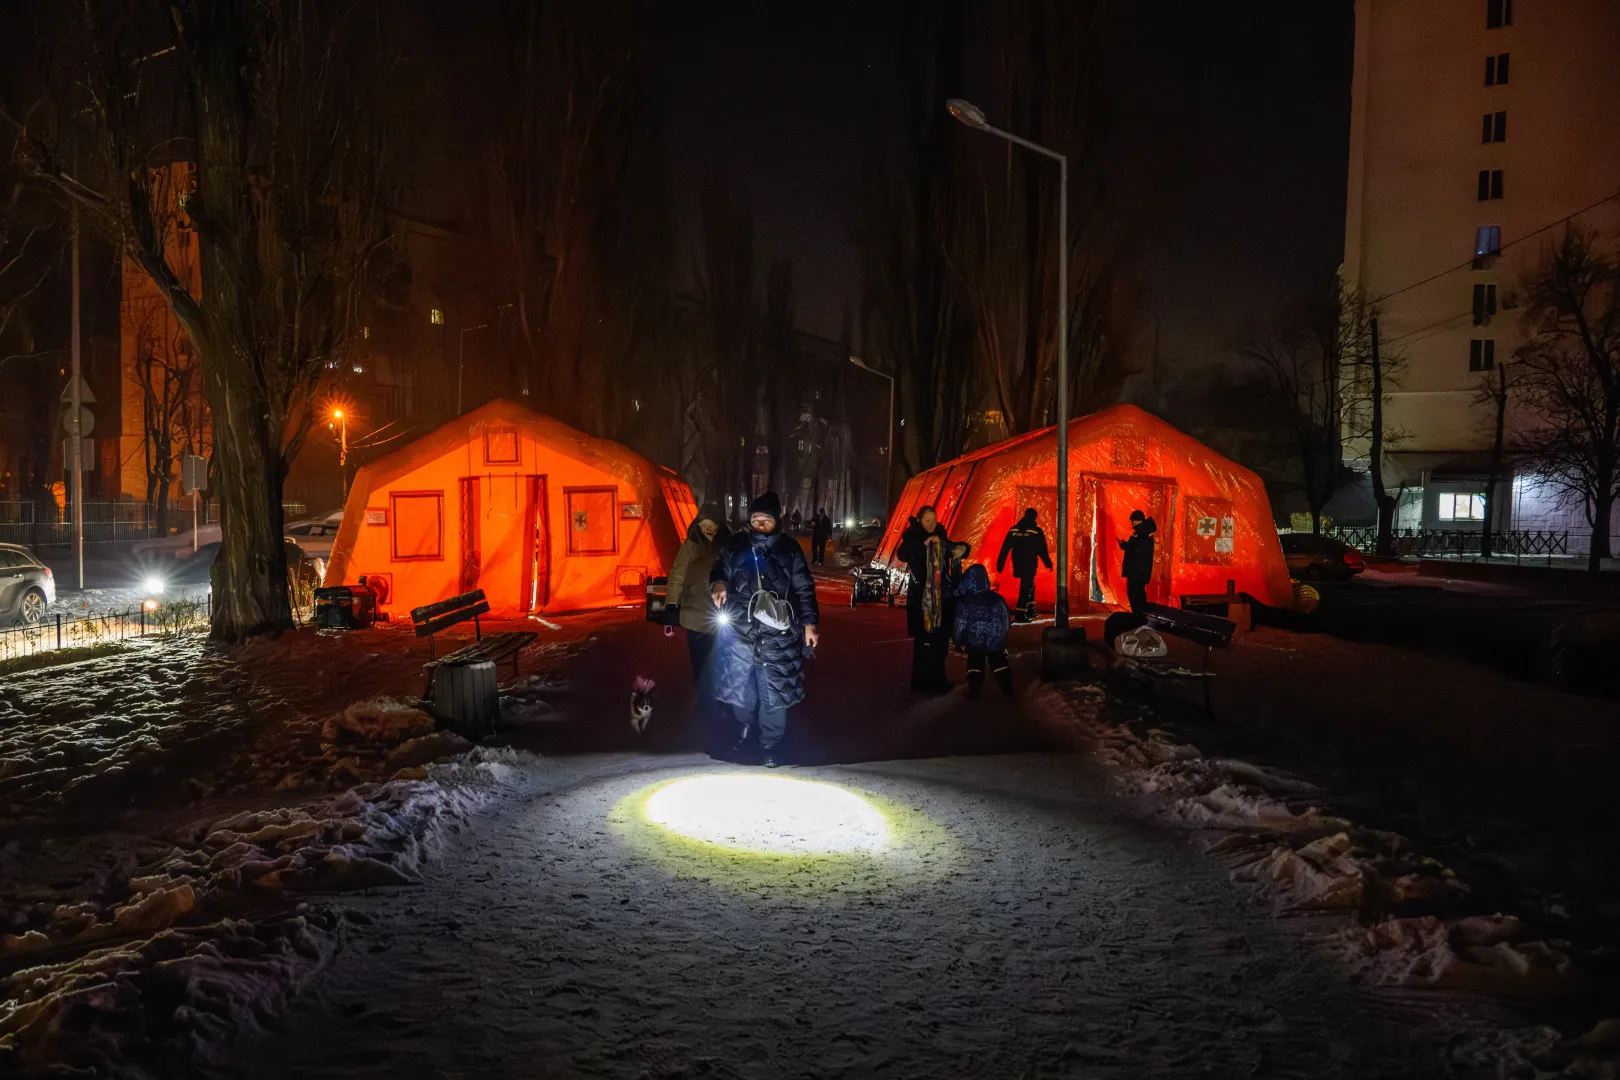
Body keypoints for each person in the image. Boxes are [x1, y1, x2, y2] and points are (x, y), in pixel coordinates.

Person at [709, 492, 820, 768]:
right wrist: (718, 585)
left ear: (776, 521)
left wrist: (810, 623)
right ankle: (746, 732)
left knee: (774, 692)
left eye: (765, 520)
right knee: (742, 691)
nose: (759, 525)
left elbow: (804, 588)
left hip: (778, 635)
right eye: (755, 519)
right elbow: (719, 571)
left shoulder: (789, 549)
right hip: (740, 631)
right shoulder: (735, 546)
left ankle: (771, 744)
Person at [663, 504, 729, 740]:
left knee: (722, 659)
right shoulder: (690, 544)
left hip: (721, 613)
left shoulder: (727, 544)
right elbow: (678, 574)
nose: (708, 529)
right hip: (693, 611)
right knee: (700, 660)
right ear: (698, 525)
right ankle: (704, 702)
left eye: (712, 525)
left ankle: (720, 700)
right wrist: (672, 603)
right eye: (704, 525)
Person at [898, 505, 953, 693]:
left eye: (934, 520)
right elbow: (902, 554)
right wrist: (923, 543)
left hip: (939, 596)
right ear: (920, 520)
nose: (931, 524)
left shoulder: (940, 532)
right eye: (927, 521)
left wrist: (963, 549)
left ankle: (939, 680)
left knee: (940, 639)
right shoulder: (913, 535)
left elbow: (951, 548)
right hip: (920, 597)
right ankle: (920, 682)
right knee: (923, 640)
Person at [952, 564, 1013, 699]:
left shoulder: (966, 602)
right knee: (999, 662)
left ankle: (975, 690)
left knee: (975, 663)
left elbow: (960, 623)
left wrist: (958, 640)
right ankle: (1007, 689)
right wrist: (1002, 636)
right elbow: (1007, 619)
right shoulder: (998, 598)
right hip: (995, 640)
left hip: (974, 641)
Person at [996, 508, 1052, 622]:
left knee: (1029, 584)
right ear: (1034, 517)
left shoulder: (1014, 530)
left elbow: (1005, 547)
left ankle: (1031, 609)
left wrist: (1000, 564)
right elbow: (1042, 549)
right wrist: (1048, 563)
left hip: (1017, 561)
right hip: (1029, 562)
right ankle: (1020, 614)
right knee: (1026, 586)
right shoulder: (1036, 531)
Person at [1119, 509, 1157, 613]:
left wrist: (1127, 545)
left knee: (1136, 595)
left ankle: (1139, 617)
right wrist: (1125, 545)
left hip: (1138, 571)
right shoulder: (1140, 533)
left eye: (1133, 521)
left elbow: (1139, 551)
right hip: (1136, 571)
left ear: (1139, 521)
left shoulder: (1144, 534)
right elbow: (1134, 549)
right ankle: (1138, 615)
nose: (1131, 523)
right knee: (1135, 594)